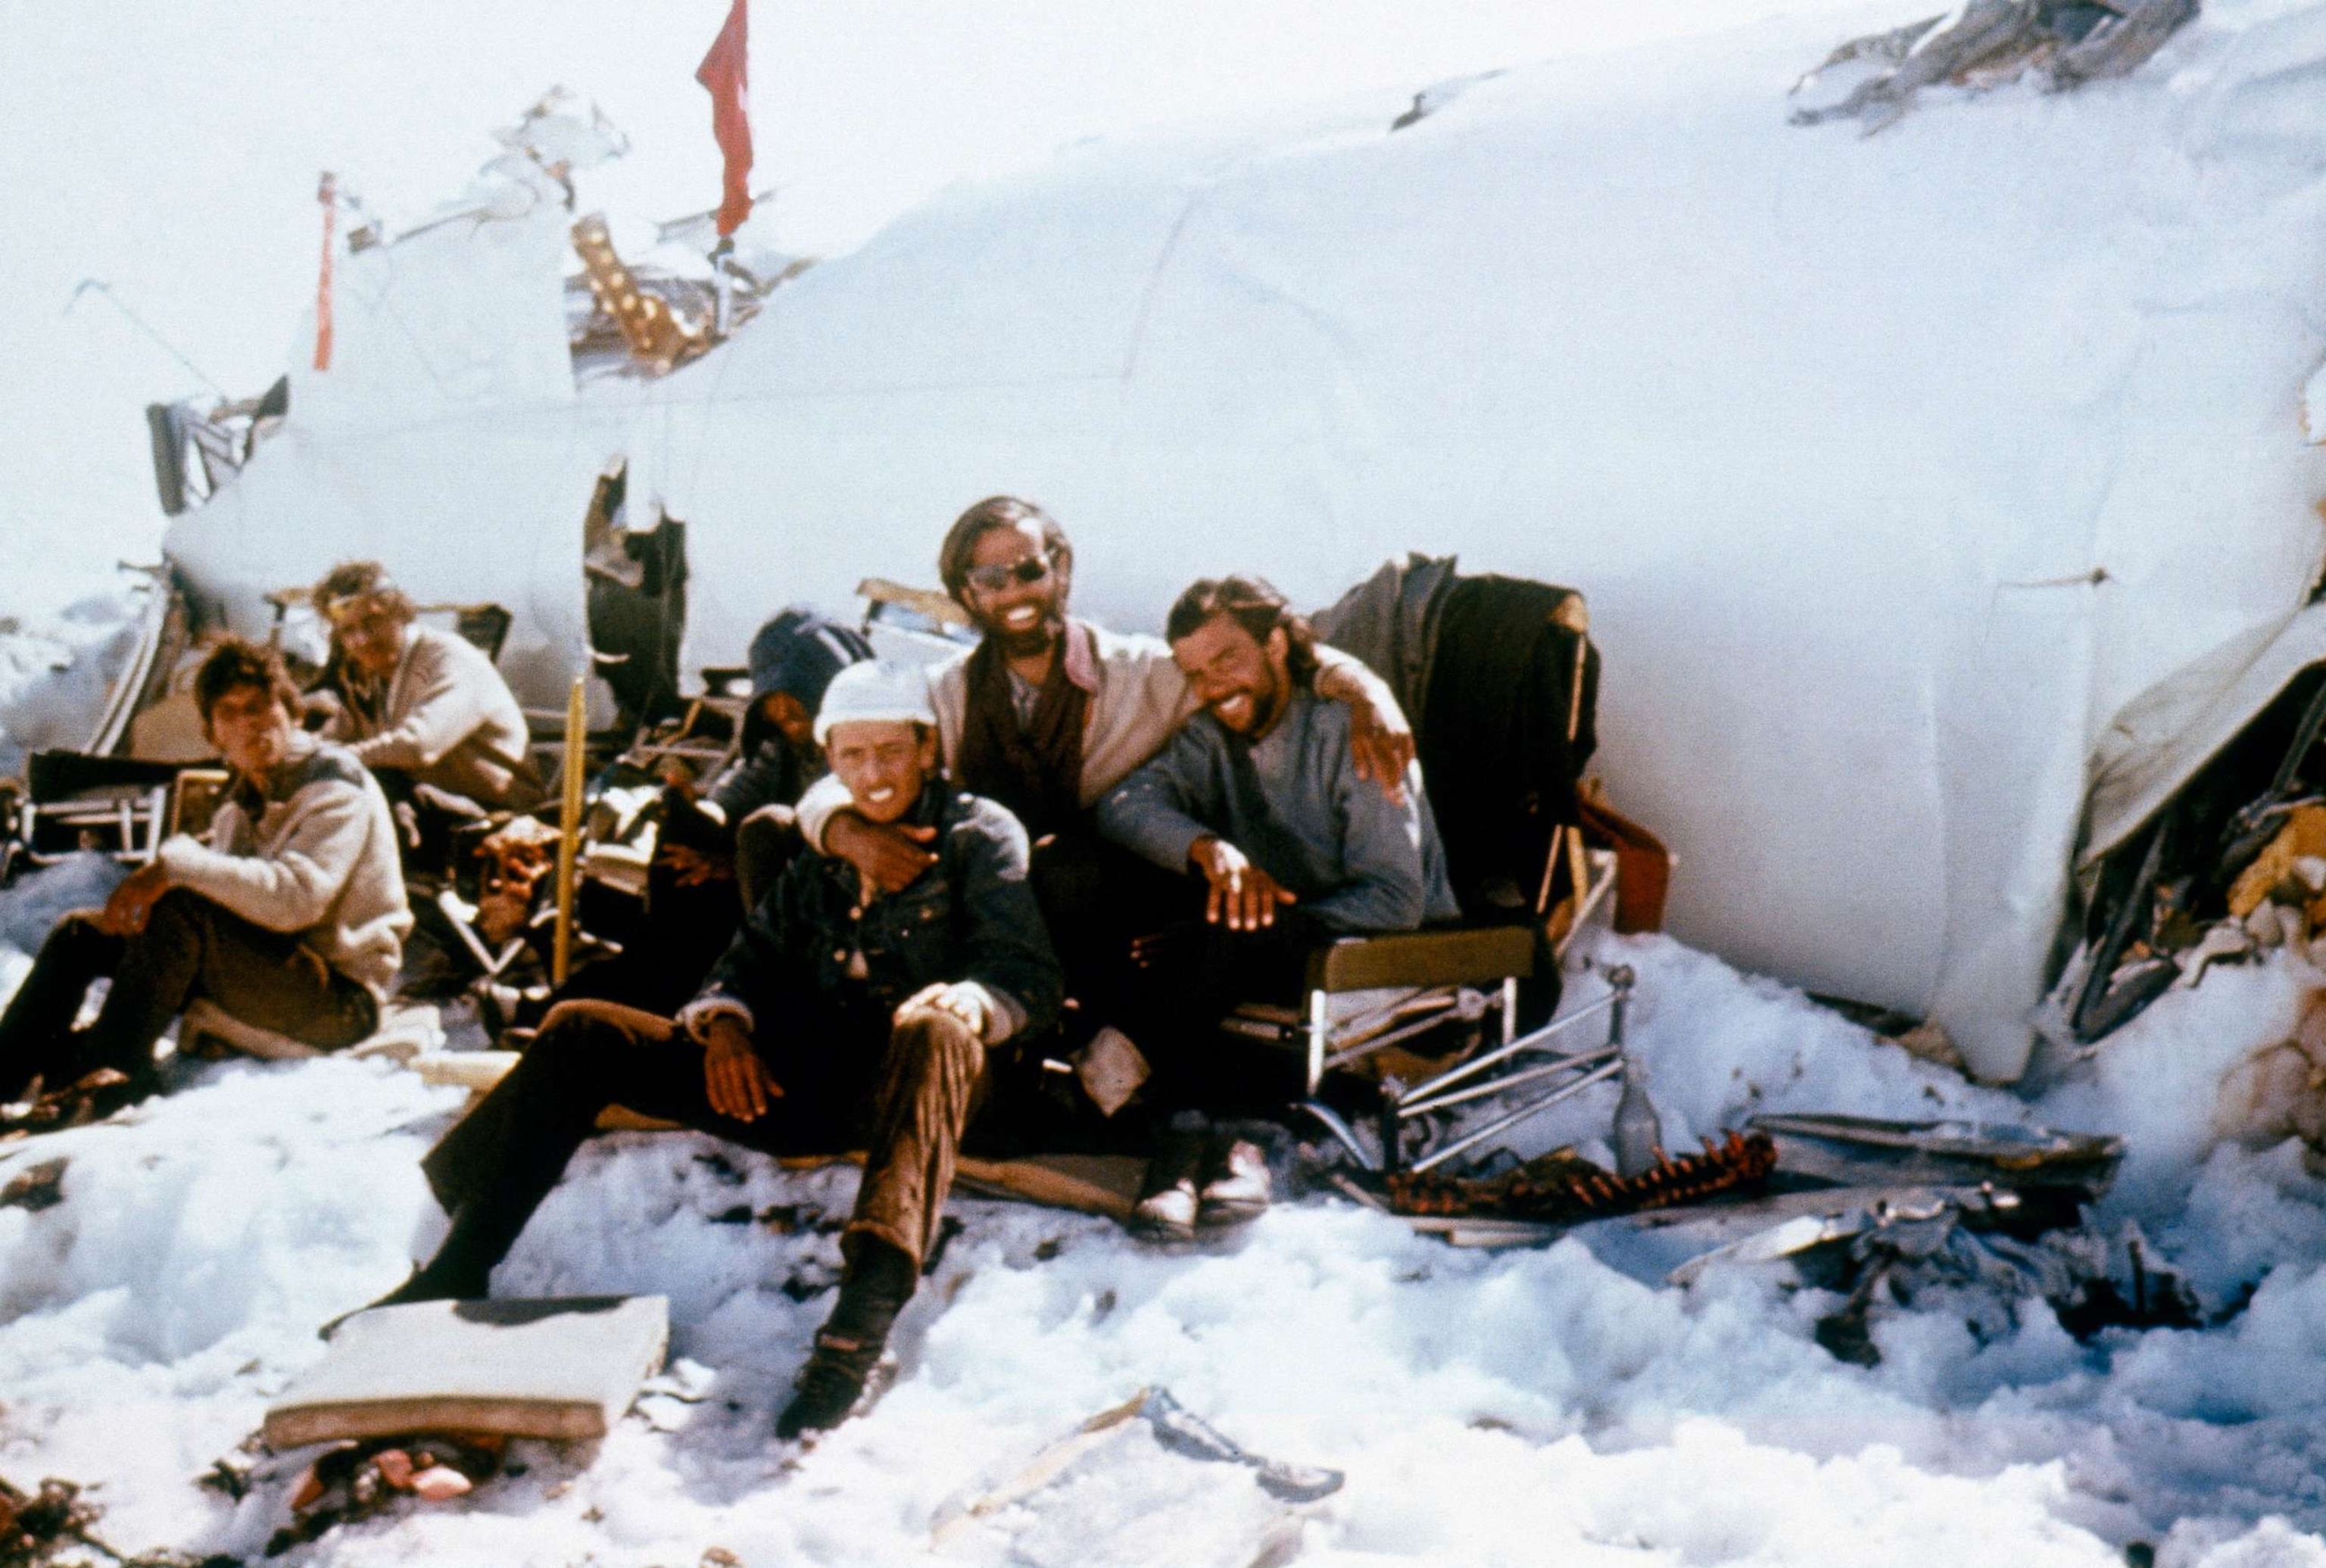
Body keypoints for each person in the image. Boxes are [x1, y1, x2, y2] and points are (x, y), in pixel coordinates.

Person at [351, 660, 1062, 1439]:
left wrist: (971, 1000)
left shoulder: (978, 834)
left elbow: (1027, 974)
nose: (873, 774)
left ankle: (858, 1325)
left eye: (891, 752)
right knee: (583, 1027)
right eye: (852, 757)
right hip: (821, 1085)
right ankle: (459, 1263)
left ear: (927, 748)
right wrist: (725, 1027)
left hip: (933, 1095)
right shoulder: (826, 849)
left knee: (931, 1028)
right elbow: (746, 960)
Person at [794, 496, 1416, 1037]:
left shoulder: (1139, 671)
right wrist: (849, 831)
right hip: (984, 890)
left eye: (1030, 569)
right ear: (966, 593)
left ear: (1060, 570)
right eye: (990, 578)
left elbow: (1269, 651)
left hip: (1100, 898)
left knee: (1071, 866)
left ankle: (1091, 1045)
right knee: (778, 838)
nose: (1014, 593)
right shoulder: (944, 692)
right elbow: (847, 770)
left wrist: (1364, 688)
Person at [1094, 575, 1460, 1235]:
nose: (1213, 686)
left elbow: (1396, 897)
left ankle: (1209, 1138)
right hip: (1273, 941)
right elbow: (1123, 806)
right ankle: (1188, 1144)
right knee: (1183, 922)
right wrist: (1209, 849)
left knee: (1228, 933)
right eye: (1195, 672)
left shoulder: (1352, 730)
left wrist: (1272, 919)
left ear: (1275, 644)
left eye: (1227, 659)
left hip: (1383, 946)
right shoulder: (1210, 736)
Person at [0, 639, 409, 1114]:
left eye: (260, 707)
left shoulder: (334, 783)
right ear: (213, 734)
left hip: (340, 999)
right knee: (82, 934)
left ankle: (106, 1078)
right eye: (229, 714)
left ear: (292, 712)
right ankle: (6, 1073)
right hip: (272, 972)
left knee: (182, 912)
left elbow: (297, 899)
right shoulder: (244, 797)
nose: (248, 724)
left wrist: (176, 868)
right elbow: (228, 898)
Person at [497, 609, 873, 1030]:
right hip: (762, 892)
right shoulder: (785, 747)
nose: (784, 717)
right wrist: (693, 811)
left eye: (796, 702)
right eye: (774, 707)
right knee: (680, 861)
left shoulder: (868, 743)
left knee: (690, 925)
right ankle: (575, 1008)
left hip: (828, 904)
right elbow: (734, 796)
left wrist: (730, 864)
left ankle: (574, 1011)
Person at [308, 561, 541, 866]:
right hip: (439, 808)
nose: (361, 640)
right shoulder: (374, 676)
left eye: (371, 622)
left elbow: (420, 745)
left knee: (365, 782)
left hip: (497, 818)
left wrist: (338, 757)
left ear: (399, 612)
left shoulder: (449, 657)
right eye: (348, 630)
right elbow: (341, 735)